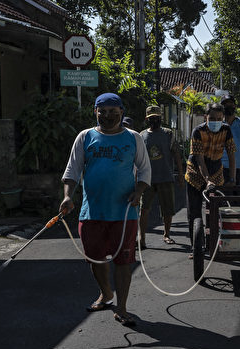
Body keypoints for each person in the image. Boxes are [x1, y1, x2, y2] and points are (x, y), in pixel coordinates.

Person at [59, 93, 151, 327]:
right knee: (95, 260)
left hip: (124, 213)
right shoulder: (85, 137)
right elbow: (72, 170)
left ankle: (121, 307)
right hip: (92, 213)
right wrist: (68, 197)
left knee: (123, 262)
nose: (108, 116)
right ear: (95, 112)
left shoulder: (133, 138)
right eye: (103, 111)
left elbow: (144, 169)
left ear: (122, 112)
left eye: (113, 111)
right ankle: (106, 293)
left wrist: (139, 192)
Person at [185, 102, 236, 258]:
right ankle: (196, 247)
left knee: (216, 209)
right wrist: (207, 180)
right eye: (212, 118)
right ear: (205, 117)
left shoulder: (226, 130)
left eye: (219, 118)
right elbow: (199, 159)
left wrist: (232, 177)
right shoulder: (198, 131)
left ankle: (215, 243)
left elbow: (232, 153)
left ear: (223, 118)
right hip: (195, 171)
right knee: (194, 211)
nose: (216, 122)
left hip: (216, 170)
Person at [139, 105, 184, 247]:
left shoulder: (168, 133)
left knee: (167, 209)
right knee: (144, 209)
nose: (154, 120)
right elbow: (138, 159)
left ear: (160, 118)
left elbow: (176, 154)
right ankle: (142, 238)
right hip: (147, 180)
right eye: (151, 118)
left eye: (156, 117)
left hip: (166, 177)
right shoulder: (141, 136)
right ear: (147, 119)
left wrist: (181, 175)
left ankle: (167, 234)